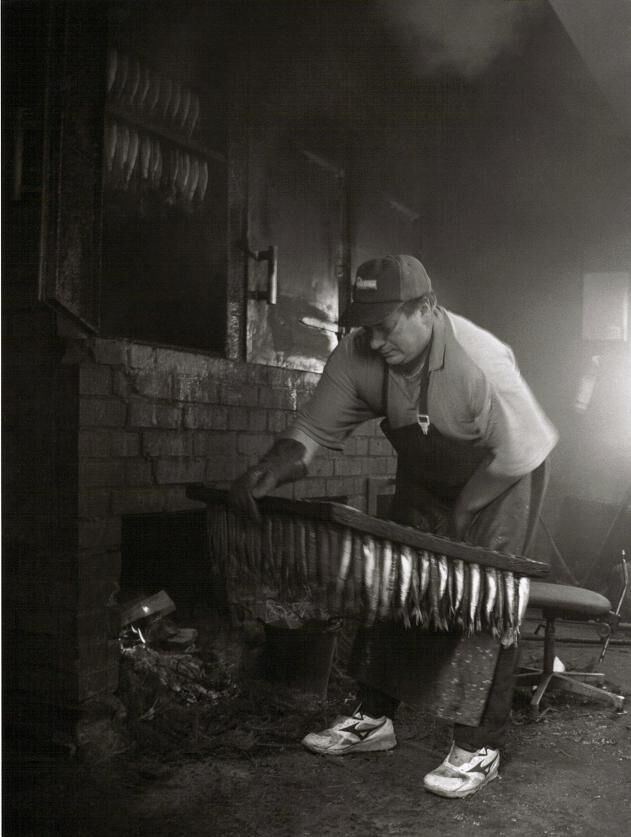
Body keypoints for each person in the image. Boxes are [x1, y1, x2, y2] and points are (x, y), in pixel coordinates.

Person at [230, 254, 558, 798]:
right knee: (395, 581)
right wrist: (268, 469)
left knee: (485, 594)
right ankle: (373, 718)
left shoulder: (480, 360)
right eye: (367, 328)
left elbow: (519, 451)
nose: (376, 341)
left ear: (426, 308)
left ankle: (479, 747)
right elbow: (311, 431)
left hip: (501, 473)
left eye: (386, 326)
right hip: (429, 468)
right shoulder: (358, 354)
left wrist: (463, 513)